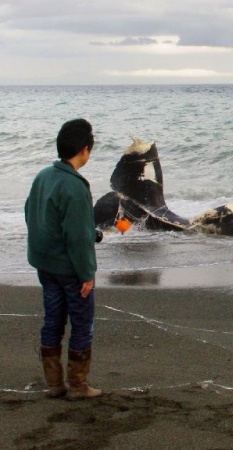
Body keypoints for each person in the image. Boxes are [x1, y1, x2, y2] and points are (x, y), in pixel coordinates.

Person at [25, 118, 102, 400]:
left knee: (53, 321)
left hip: (45, 265)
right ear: (84, 150)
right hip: (69, 269)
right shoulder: (75, 186)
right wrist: (87, 273)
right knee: (82, 324)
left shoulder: (42, 176)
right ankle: (79, 386)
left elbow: (31, 214)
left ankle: (55, 383)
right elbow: (78, 239)